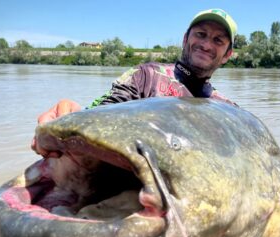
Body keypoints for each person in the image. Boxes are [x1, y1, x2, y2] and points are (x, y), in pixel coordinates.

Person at [32, 8, 238, 156]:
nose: (206, 44)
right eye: (201, 34)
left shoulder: (228, 110)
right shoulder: (145, 76)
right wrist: (73, 116)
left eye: (218, 40)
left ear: (228, 54)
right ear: (185, 39)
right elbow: (104, 111)